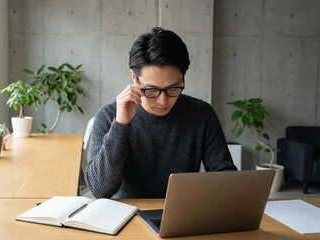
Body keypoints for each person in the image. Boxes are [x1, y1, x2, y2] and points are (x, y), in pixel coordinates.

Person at [84, 27, 237, 199]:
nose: (163, 101)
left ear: (183, 78)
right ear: (134, 78)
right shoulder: (108, 115)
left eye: (173, 88)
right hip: (126, 218)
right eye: (151, 90)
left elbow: (225, 177)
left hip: (182, 215)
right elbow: (100, 190)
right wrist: (120, 125)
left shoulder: (201, 114)